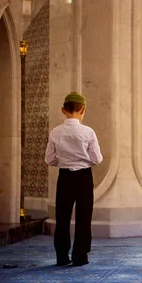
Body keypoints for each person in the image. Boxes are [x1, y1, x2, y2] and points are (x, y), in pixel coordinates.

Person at [45, 92, 103, 266]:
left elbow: (49, 159)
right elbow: (97, 159)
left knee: (62, 217)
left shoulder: (56, 132)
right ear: (83, 109)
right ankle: (80, 256)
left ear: (63, 110)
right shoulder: (88, 132)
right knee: (84, 217)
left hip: (65, 177)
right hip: (84, 177)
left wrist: (64, 161)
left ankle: (62, 256)